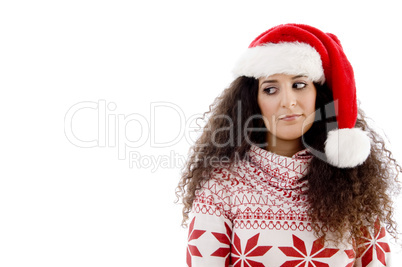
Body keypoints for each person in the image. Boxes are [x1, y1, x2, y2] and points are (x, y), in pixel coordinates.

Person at [176, 23, 400, 267]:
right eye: (271, 89)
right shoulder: (220, 188)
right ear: (254, 101)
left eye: (299, 85)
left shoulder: (354, 187)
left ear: (319, 95)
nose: (288, 102)